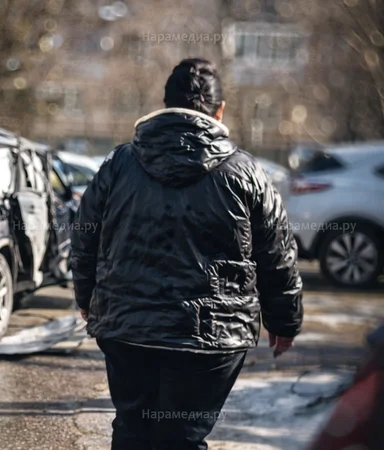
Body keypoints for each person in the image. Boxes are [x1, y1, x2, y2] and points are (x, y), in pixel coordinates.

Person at [71, 59, 303, 450]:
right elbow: (277, 254)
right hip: (211, 337)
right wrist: (284, 321)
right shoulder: (248, 173)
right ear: (220, 110)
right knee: (182, 437)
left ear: (164, 105)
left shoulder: (118, 164)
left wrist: (85, 296)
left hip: (129, 327)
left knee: (132, 428)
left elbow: (85, 236)